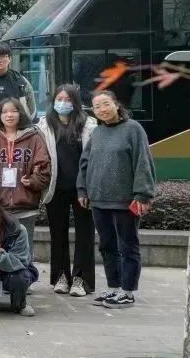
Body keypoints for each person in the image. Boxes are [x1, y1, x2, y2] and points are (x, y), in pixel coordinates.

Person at [78, 90, 156, 310]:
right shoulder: (97, 132)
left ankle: (128, 292)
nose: (102, 109)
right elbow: (85, 163)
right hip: (98, 200)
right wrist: (83, 190)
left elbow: (143, 161)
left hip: (125, 201)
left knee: (128, 246)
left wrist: (143, 194)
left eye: (106, 104)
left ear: (116, 104)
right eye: (97, 106)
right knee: (107, 245)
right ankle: (114, 287)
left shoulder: (133, 129)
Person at [38, 84, 97, 298]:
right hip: (56, 188)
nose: (63, 103)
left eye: (68, 99)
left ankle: (81, 279)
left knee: (85, 234)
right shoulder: (44, 125)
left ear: (76, 102)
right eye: (59, 99)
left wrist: (88, 188)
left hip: (82, 189)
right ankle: (60, 276)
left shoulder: (89, 125)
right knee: (57, 233)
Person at [0, 97, 50, 244]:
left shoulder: (34, 138)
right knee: (0, 248)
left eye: (14, 111)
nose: (9, 115)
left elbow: (44, 167)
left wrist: (32, 181)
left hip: (26, 207)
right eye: (5, 112)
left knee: (25, 249)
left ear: (21, 113)